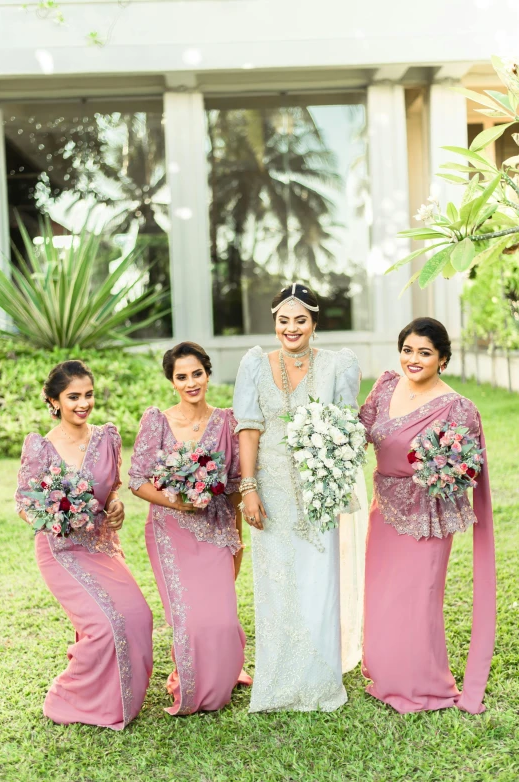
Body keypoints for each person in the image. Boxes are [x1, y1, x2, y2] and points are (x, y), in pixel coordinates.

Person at [233, 283, 368, 713]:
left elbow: (348, 428)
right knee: (275, 584)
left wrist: (331, 478)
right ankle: (276, 686)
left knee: (317, 581)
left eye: (300, 320)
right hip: (269, 491)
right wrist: (249, 489)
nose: (291, 328)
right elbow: (248, 429)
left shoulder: (337, 365)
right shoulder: (255, 364)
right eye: (283, 320)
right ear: (275, 322)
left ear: (314, 323)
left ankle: (319, 682)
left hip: (318, 491)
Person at [359, 317, 496, 714]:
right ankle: (387, 675)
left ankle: (423, 684)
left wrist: (442, 471)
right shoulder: (386, 385)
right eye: (407, 350)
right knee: (383, 596)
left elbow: (465, 468)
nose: (413, 359)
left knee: (418, 599)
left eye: (424, 353)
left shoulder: (457, 407)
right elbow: (361, 431)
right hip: (383, 509)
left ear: (443, 359)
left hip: (427, 516)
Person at [15, 360, 153, 730]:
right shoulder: (41, 447)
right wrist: (51, 517)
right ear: (54, 401)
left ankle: (121, 697)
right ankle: (70, 697)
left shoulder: (107, 437)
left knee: (139, 618)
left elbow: (112, 491)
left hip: (101, 547)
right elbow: (24, 504)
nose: (83, 403)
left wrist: (115, 506)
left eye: (88, 395)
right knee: (106, 625)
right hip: (60, 552)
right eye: (73, 396)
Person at [129, 342, 250, 716]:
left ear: (208, 374)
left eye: (197, 373)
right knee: (192, 619)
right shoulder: (157, 422)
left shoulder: (228, 422)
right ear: (172, 381)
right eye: (181, 376)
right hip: (171, 531)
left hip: (216, 528)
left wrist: (236, 533)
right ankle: (195, 682)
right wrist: (175, 501)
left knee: (223, 620)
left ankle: (225, 670)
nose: (191, 382)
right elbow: (136, 480)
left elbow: (233, 482)